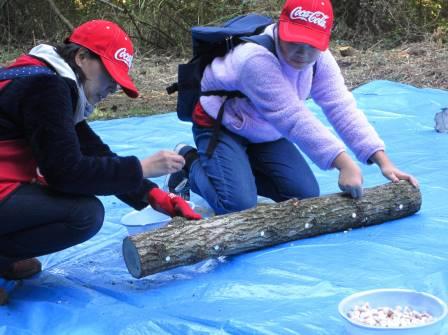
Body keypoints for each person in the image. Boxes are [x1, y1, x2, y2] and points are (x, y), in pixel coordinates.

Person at [0, 19, 201, 293]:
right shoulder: (47, 88)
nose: (114, 88)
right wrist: (140, 168)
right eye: (109, 73)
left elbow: (94, 151)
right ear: (82, 57)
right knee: (84, 214)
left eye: (119, 79)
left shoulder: (49, 79)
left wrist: (155, 197)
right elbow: (66, 173)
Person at [166, 0, 418, 215]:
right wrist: (345, 164)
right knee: (238, 204)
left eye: (312, 44)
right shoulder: (254, 58)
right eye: (295, 40)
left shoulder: (321, 60)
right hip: (222, 123)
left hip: (264, 128)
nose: (302, 52)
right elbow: (293, 118)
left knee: (304, 194)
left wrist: (383, 161)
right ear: (281, 28)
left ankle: (235, 167)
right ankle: (190, 164)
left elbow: (341, 107)